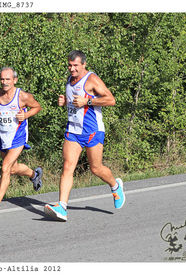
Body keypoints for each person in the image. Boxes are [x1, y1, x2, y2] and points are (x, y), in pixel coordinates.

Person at [44, 50, 125, 222]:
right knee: (67, 166)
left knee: (96, 168)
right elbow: (75, 101)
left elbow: (111, 100)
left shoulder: (92, 80)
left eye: (75, 66)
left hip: (92, 131)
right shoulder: (70, 79)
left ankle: (115, 186)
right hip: (73, 130)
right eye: (70, 65)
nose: (71, 69)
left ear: (84, 65)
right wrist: (65, 102)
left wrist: (87, 101)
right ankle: (62, 207)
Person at [0, 67, 43, 216]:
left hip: (18, 136)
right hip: (3, 137)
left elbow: (37, 106)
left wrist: (26, 115)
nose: (4, 82)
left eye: (8, 79)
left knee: (5, 168)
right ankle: (34, 175)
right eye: (2, 79)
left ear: (14, 80)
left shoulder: (22, 96)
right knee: (13, 169)